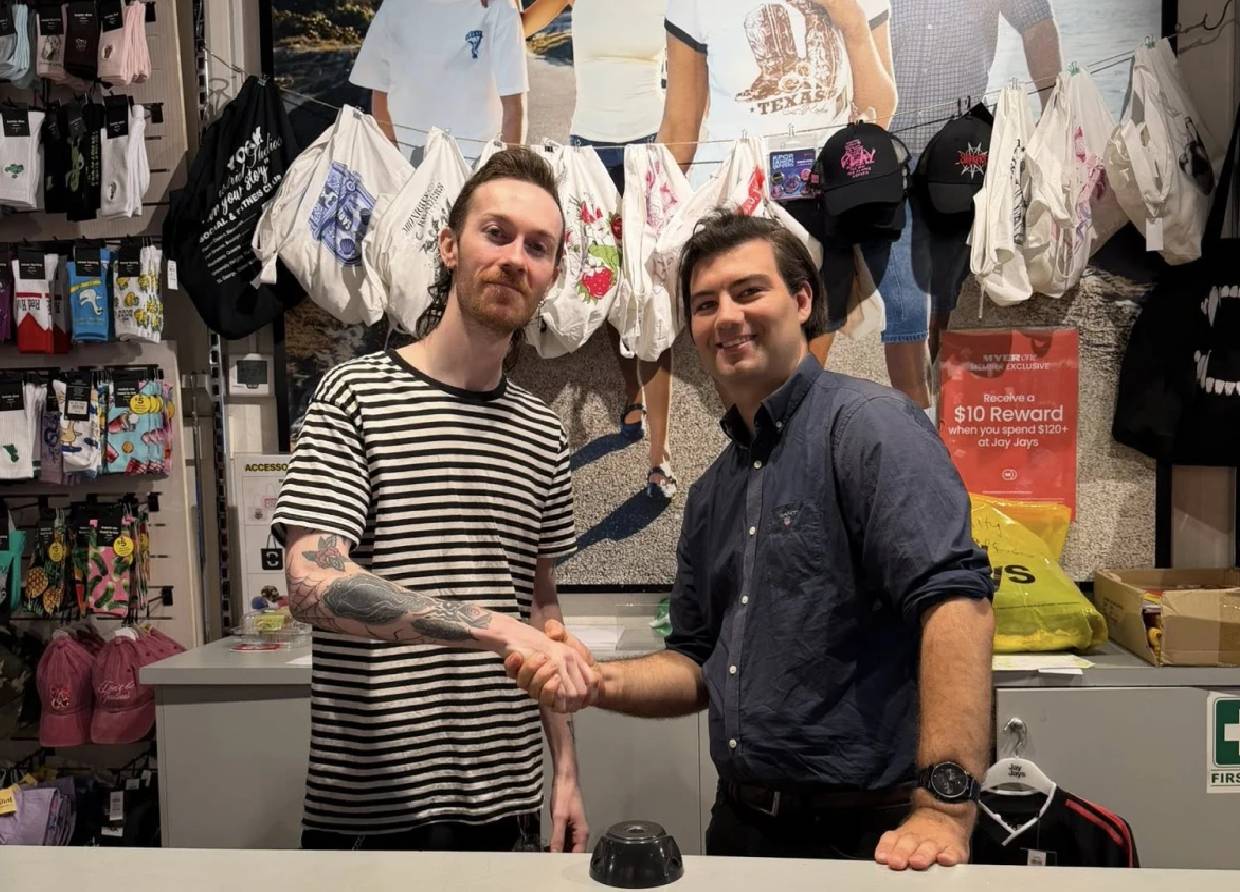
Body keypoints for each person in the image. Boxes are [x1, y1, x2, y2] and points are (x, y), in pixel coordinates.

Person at [507, 211, 996, 869]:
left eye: (747, 292)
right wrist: (596, 683)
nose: (726, 317)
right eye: (705, 305)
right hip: (742, 829)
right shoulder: (713, 491)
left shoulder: (873, 429)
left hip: (874, 838)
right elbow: (693, 661)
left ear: (801, 301)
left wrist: (943, 809)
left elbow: (957, 605)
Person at [271, 148, 599, 853]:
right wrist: (489, 626)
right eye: (497, 232)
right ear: (450, 246)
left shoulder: (542, 433)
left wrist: (566, 765)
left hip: (508, 798)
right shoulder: (353, 395)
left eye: (538, 247)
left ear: (553, 276)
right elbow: (311, 581)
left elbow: (541, 612)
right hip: (372, 803)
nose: (515, 258)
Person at [514, 0, 678, 498]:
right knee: (605, 286)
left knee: (653, 295)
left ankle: (660, 453)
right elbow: (517, 29)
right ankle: (632, 397)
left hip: (650, 149)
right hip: (588, 157)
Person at [870, 0, 1062, 383]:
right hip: (881, 147)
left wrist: (1055, 115)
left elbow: (1037, 25)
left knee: (945, 291)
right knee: (902, 300)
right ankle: (913, 406)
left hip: (960, 151)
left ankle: (933, 395)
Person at [350, 0, 530, 163]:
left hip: (476, 167)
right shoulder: (394, 6)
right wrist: (393, 161)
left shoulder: (499, 6)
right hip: (407, 166)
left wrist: (506, 177)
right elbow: (380, 91)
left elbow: (514, 107)